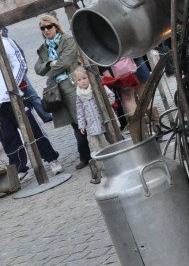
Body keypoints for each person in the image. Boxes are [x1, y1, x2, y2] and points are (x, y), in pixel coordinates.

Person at [0, 31, 62, 181]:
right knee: (8, 137)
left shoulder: (6, 42)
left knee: (32, 129)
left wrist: (12, 85)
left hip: (14, 95)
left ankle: (51, 158)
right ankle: (19, 167)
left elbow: (20, 63)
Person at [34, 14, 91, 169]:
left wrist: (50, 69)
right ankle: (85, 155)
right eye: (43, 28)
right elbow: (37, 68)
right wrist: (49, 63)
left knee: (83, 119)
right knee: (74, 123)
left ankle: (89, 153)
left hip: (74, 86)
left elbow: (65, 63)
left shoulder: (67, 40)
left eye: (49, 27)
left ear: (55, 26)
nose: (46, 30)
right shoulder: (44, 48)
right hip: (58, 91)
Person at [73, 66, 111, 181]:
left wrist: (107, 105)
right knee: (95, 146)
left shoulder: (96, 88)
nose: (82, 81)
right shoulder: (79, 95)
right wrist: (82, 125)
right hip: (91, 125)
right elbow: (79, 112)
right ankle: (101, 168)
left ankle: (111, 161)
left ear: (89, 78)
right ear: (76, 82)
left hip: (102, 121)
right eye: (79, 80)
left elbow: (110, 96)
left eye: (84, 78)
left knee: (106, 142)